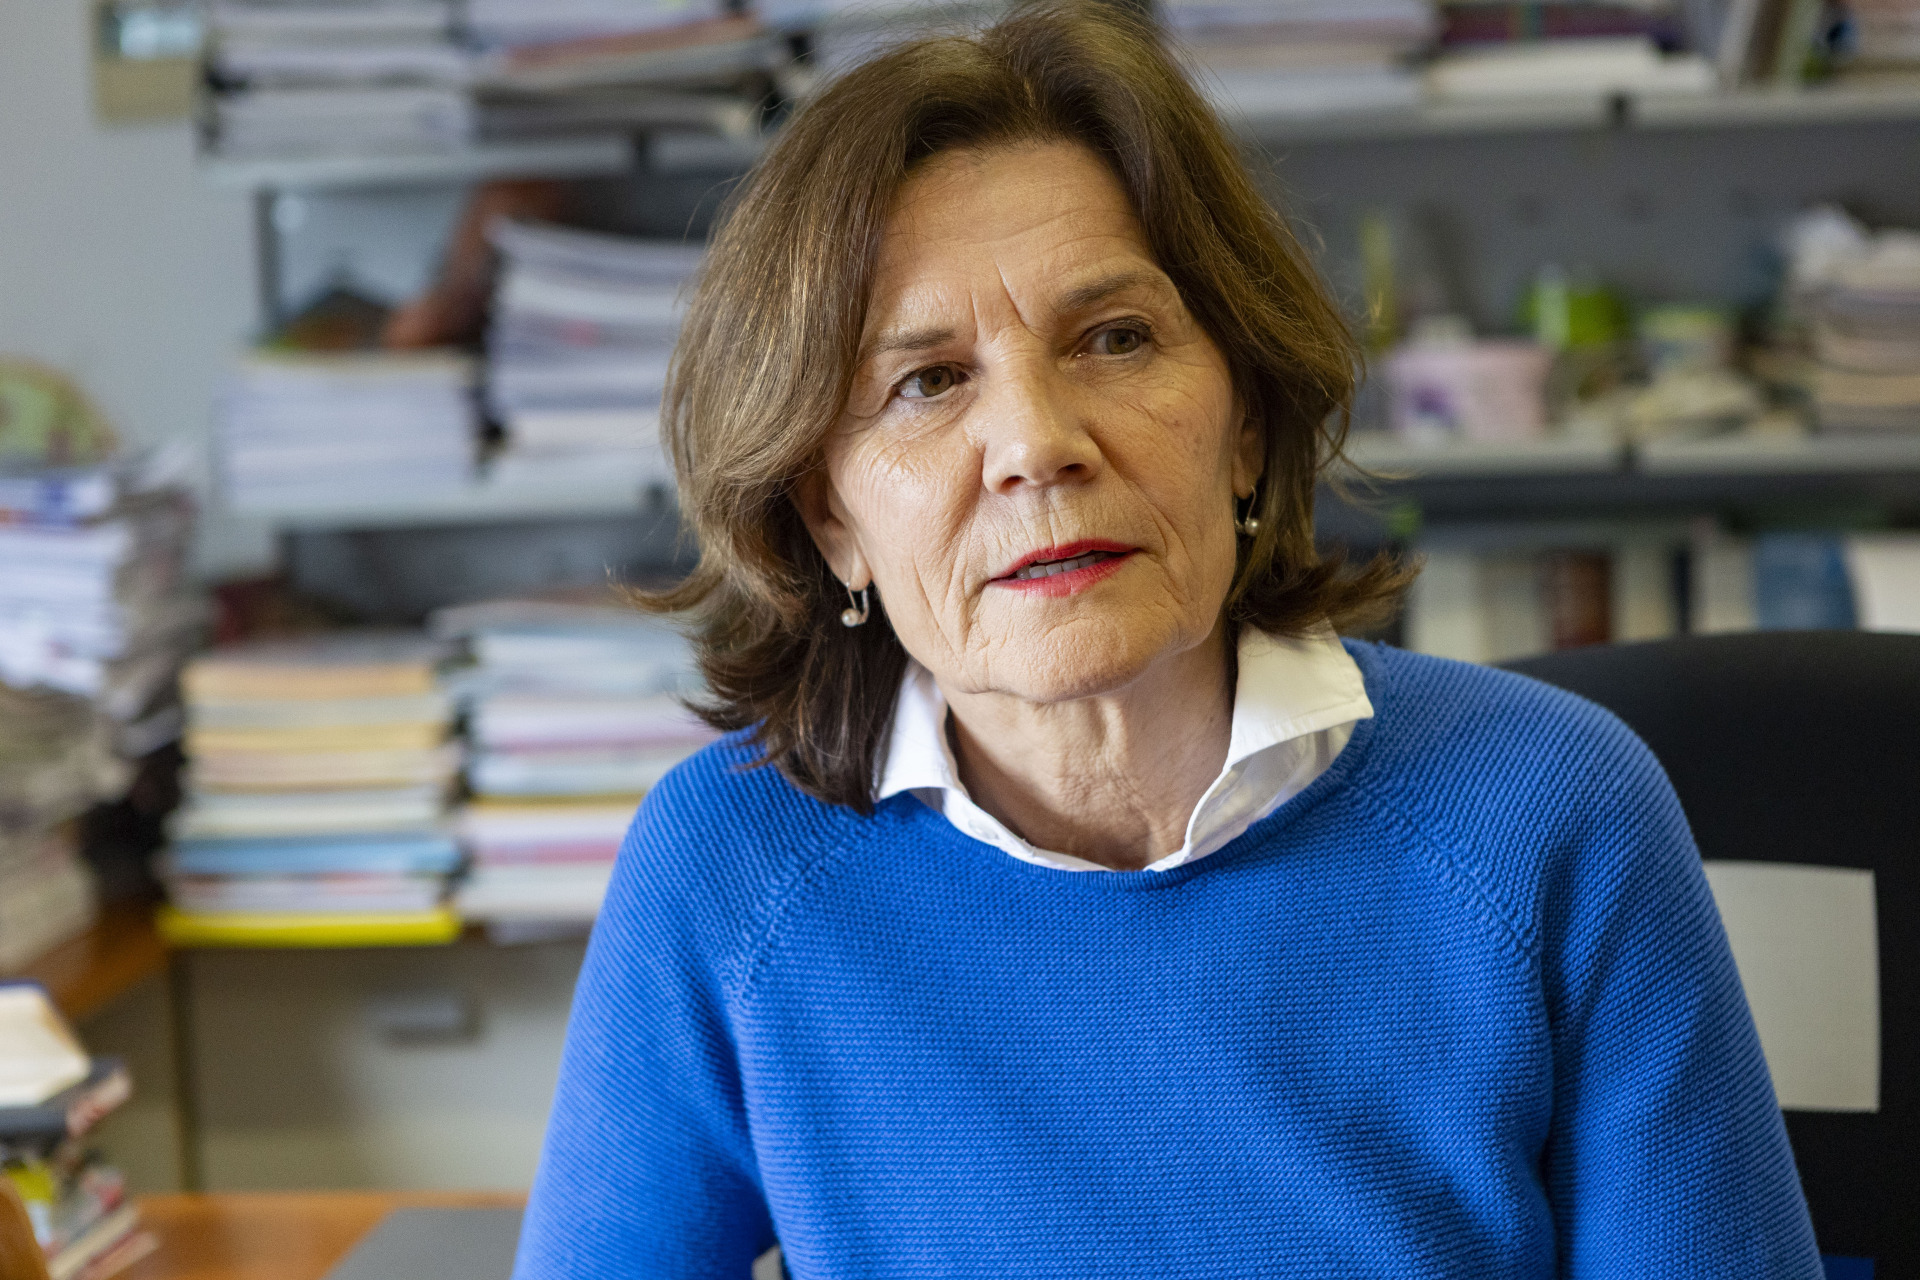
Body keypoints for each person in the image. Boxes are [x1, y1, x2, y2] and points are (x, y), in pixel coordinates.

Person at [513, 6, 1820, 1276]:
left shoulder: (1551, 815)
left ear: (1245, 423)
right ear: (830, 515)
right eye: (928, 380)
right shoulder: (731, 869)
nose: (1037, 444)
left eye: (1116, 339)